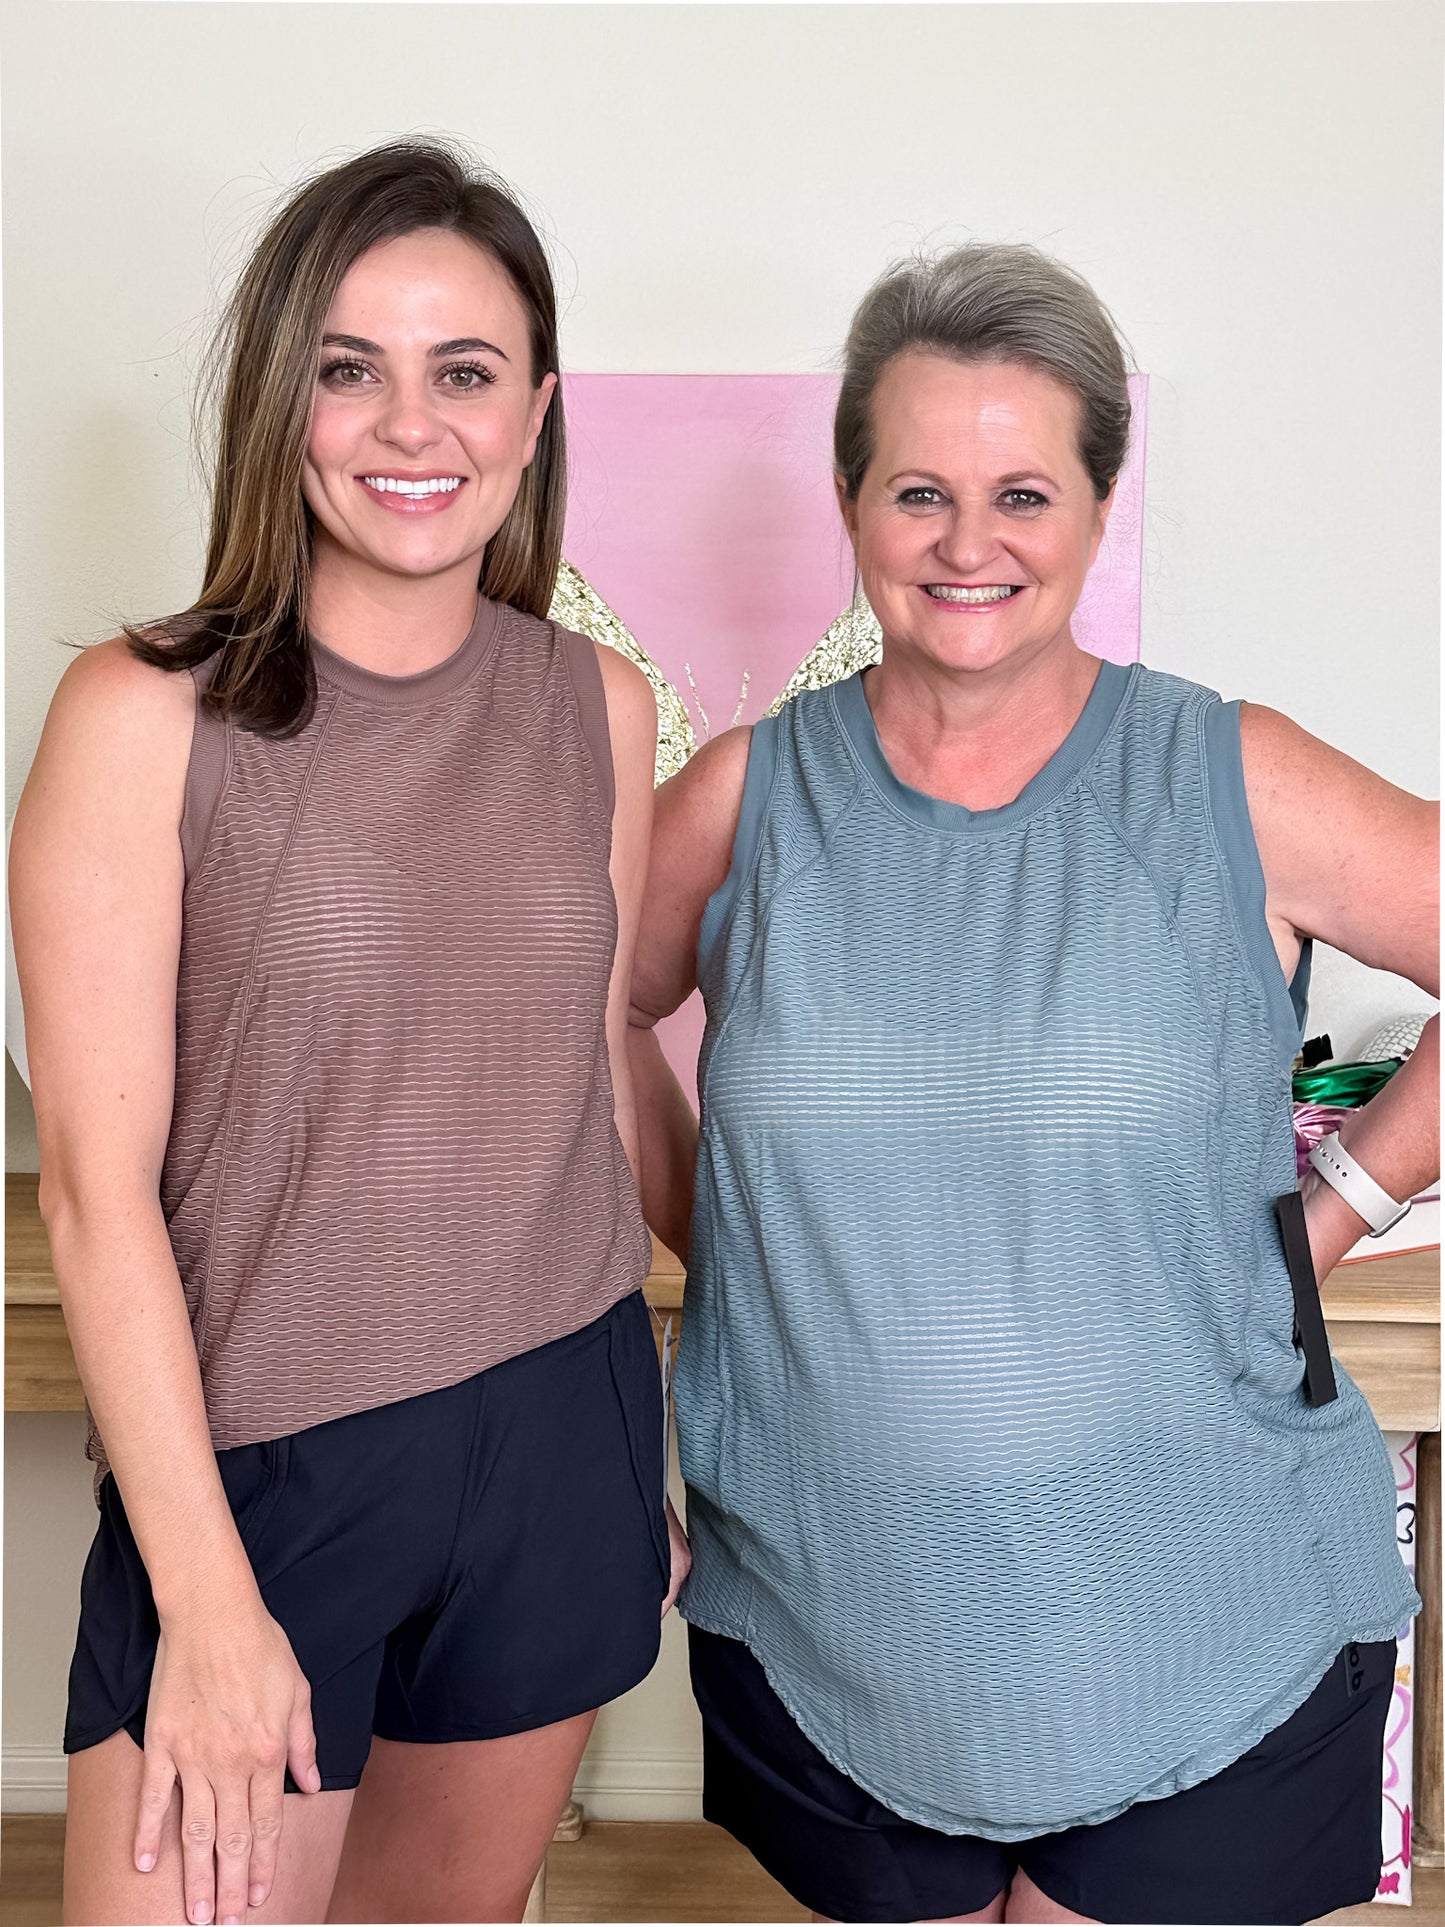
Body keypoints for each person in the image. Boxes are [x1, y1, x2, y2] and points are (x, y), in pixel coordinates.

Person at [628, 242, 1437, 1926]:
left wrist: (1345, 1200)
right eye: (918, 489)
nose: (968, 542)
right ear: (849, 501)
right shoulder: (740, 802)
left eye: (1022, 491)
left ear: (1094, 507)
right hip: (827, 1610)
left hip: (1207, 1617)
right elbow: (566, 1034)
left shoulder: (1231, 773)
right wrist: (736, 1262)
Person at [11, 138, 687, 1927]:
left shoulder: (594, 708)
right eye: (350, 369)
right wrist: (212, 1605)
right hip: (270, 1471)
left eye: (464, 373)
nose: (413, 425)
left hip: (560, 1426)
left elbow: (585, 1093)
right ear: (280, 402)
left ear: (532, 413)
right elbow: (95, 1194)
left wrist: (648, 1458)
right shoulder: (140, 713)